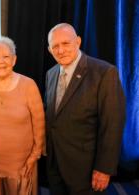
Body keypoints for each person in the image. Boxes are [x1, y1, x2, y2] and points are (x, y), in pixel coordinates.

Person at [45, 23, 126, 195]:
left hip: (86, 170)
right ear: (49, 50)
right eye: (55, 46)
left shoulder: (104, 72)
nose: (60, 50)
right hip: (55, 165)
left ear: (78, 42)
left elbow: (112, 124)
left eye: (66, 43)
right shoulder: (51, 74)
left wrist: (104, 168)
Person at [0, 36, 45, 195]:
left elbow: (39, 124)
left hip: (22, 163)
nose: (1, 61)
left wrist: (34, 156)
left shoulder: (29, 85)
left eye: (6, 57)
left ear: (14, 60)